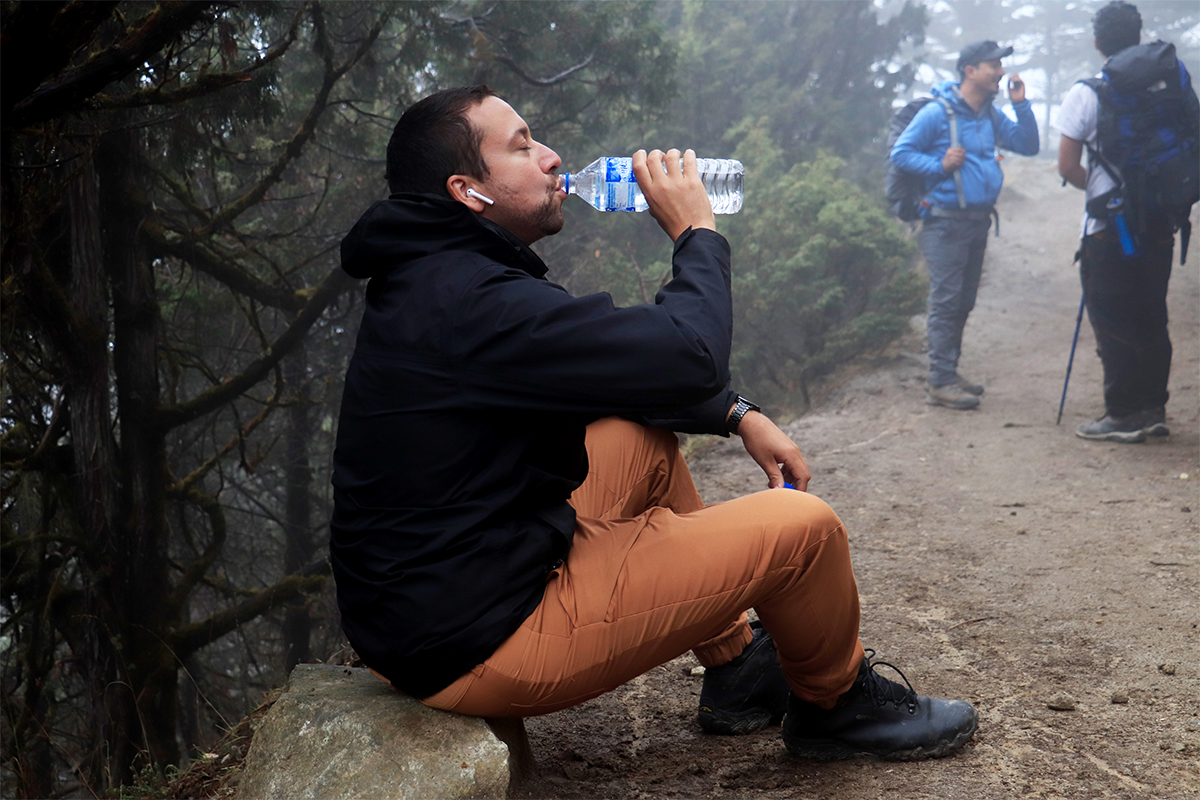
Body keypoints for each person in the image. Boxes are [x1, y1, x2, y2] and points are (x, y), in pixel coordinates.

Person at [330, 85, 978, 761]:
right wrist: (697, 234)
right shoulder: (467, 298)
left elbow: (607, 363)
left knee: (633, 440)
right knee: (803, 530)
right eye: (521, 147)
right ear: (468, 191)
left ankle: (737, 669)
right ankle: (837, 711)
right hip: (475, 637)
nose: (552, 158)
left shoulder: (442, 277)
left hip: (440, 595)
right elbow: (688, 356)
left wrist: (735, 412)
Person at [1057, 1, 1197, 443]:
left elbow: (1067, 166)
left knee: (1113, 319)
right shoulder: (1172, 80)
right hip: (1161, 219)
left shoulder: (1086, 93)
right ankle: (1153, 408)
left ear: (1098, 43)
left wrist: (1103, 195)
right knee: (1152, 313)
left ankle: (1121, 413)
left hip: (1107, 227)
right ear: (1138, 36)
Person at [891, 41, 1040, 410]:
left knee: (964, 301)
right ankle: (940, 381)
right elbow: (901, 153)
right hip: (943, 224)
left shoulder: (989, 114)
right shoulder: (937, 113)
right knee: (946, 301)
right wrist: (939, 166)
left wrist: (1021, 104)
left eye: (1001, 65)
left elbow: (1029, 145)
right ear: (970, 70)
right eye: (993, 65)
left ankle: (949, 373)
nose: (1001, 71)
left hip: (977, 222)